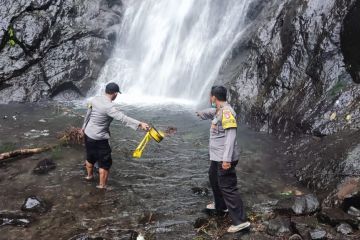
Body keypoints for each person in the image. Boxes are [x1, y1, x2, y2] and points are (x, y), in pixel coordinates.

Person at [196, 86, 250, 233]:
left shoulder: (226, 112)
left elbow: (231, 136)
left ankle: (241, 221)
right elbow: (212, 113)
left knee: (228, 187)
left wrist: (226, 160)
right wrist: (201, 113)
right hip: (216, 156)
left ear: (214, 97)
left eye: (210, 96)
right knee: (213, 176)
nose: (209, 99)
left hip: (224, 157)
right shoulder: (219, 109)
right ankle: (221, 205)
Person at [81, 82, 149, 189]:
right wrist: (140, 124)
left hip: (88, 134)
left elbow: (88, 114)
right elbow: (123, 118)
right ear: (115, 94)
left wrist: (83, 128)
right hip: (100, 138)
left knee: (90, 156)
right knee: (105, 164)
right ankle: (102, 187)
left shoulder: (94, 99)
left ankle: (89, 176)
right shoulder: (110, 107)